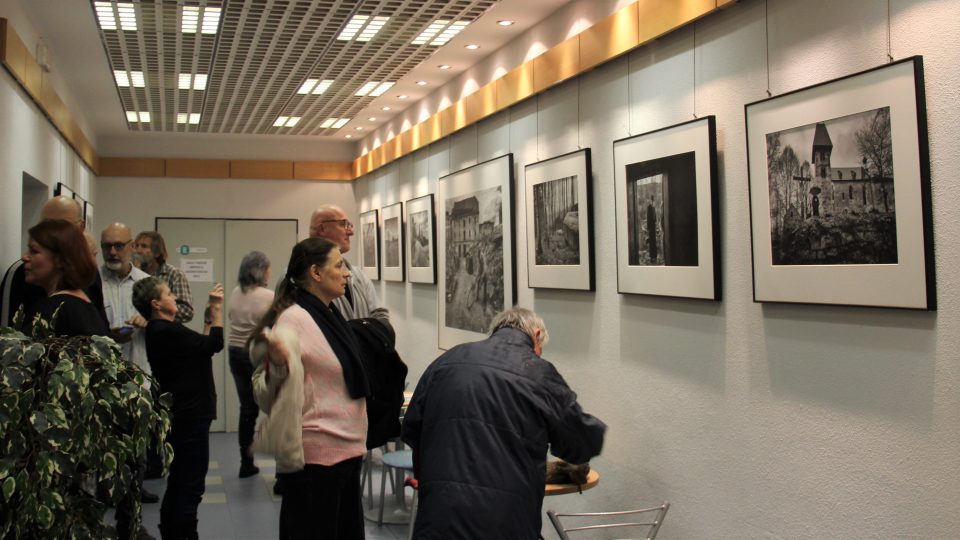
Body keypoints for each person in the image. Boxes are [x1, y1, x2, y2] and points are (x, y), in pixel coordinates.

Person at [401, 307, 607, 540]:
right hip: (504, 521)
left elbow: (411, 428)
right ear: (536, 335)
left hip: (439, 517)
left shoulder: (446, 361)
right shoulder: (538, 371)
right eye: (540, 350)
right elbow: (582, 441)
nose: (538, 355)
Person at [251, 237, 369, 539]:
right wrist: (277, 366)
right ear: (316, 273)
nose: (347, 273)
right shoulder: (294, 320)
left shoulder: (328, 314)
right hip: (317, 462)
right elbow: (266, 395)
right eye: (339, 265)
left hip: (346, 454)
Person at [133, 278, 224, 540]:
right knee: (190, 485)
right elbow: (214, 345)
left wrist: (207, 321)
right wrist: (217, 310)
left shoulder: (164, 330)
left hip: (185, 413)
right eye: (169, 294)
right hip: (190, 415)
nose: (175, 298)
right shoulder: (164, 330)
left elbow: (200, 350)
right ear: (156, 303)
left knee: (180, 480)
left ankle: (172, 531)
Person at [2, 196, 107, 328]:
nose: (52, 234)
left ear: (81, 227)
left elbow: (101, 337)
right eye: (45, 225)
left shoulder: (89, 274)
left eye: (62, 227)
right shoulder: (20, 273)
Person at [226, 251, 274, 478]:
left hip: (235, 352)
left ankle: (246, 462)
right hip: (257, 354)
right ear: (260, 271)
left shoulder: (236, 292)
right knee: (274, 407)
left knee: (247, 409)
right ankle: (281, 473)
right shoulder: (269, 296)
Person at [18, 219, 108, 338]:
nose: (25, 257)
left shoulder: (50, 311)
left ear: (60, 259)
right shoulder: (84, 306)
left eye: (34, 251)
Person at [309, 204, 389, 326]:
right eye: (343, 224)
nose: (351, 232)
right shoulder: (298, 277)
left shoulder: (358, 275)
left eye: (349, 225)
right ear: (322, 229)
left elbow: (379, 314)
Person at [133, 231, 194, 323]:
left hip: (163, 334)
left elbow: (186, 312)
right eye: (136, 246)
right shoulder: (132, 274)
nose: (138, 250)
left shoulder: (174, 274)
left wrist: (153, 317)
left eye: (144, 246)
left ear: (157, 253)